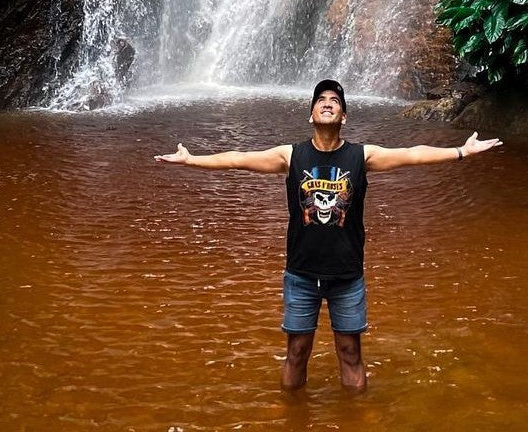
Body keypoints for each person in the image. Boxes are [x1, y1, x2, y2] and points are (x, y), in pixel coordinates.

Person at [154, 78, 502, 391]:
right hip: (301, 274)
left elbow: (412, 155)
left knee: (350, 352)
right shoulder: (290, 156)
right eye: (321, 99)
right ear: (311, 114)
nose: (327, 102)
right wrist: (192, 160)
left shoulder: (361, 156)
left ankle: (356, 418)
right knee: (296, 352)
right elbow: (238, 159)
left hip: (347, 275)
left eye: (335, 100)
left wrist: (461, 152)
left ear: (344, 116)